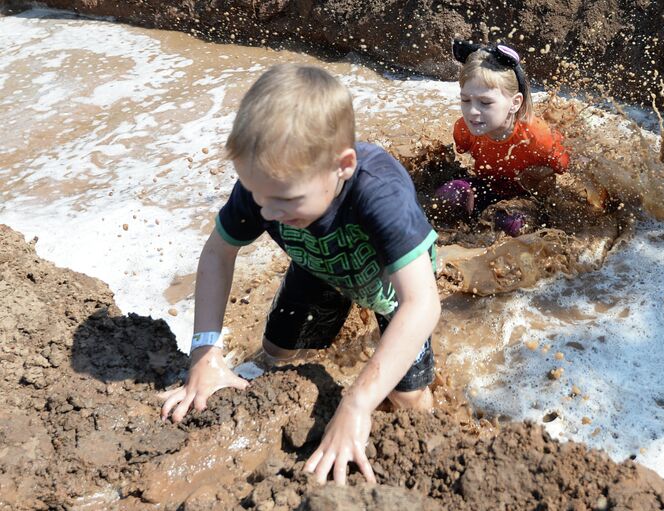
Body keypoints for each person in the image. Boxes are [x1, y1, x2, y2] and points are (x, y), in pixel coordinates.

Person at [158, 64, 440, 486]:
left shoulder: (380, 193)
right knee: (272, 353)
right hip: (317, 268)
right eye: (256, 196)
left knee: (407, 397)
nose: (268, 213)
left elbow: (422, 303)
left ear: (341, 166)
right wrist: (205, 355)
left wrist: (357, 404)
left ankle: (434, 451)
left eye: (285, 200)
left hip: (388, 288)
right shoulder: (268, 187)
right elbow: (218, 253)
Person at [434, 40, 570, 236]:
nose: (472, 111)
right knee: (450, 195)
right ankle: (452, 239)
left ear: (515, 103)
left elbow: (565, 168)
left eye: (485, 102)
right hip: (487, 187)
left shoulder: (538, 137)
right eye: (465, 100)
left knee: (506, 222)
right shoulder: (464, 129)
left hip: (526, 199)